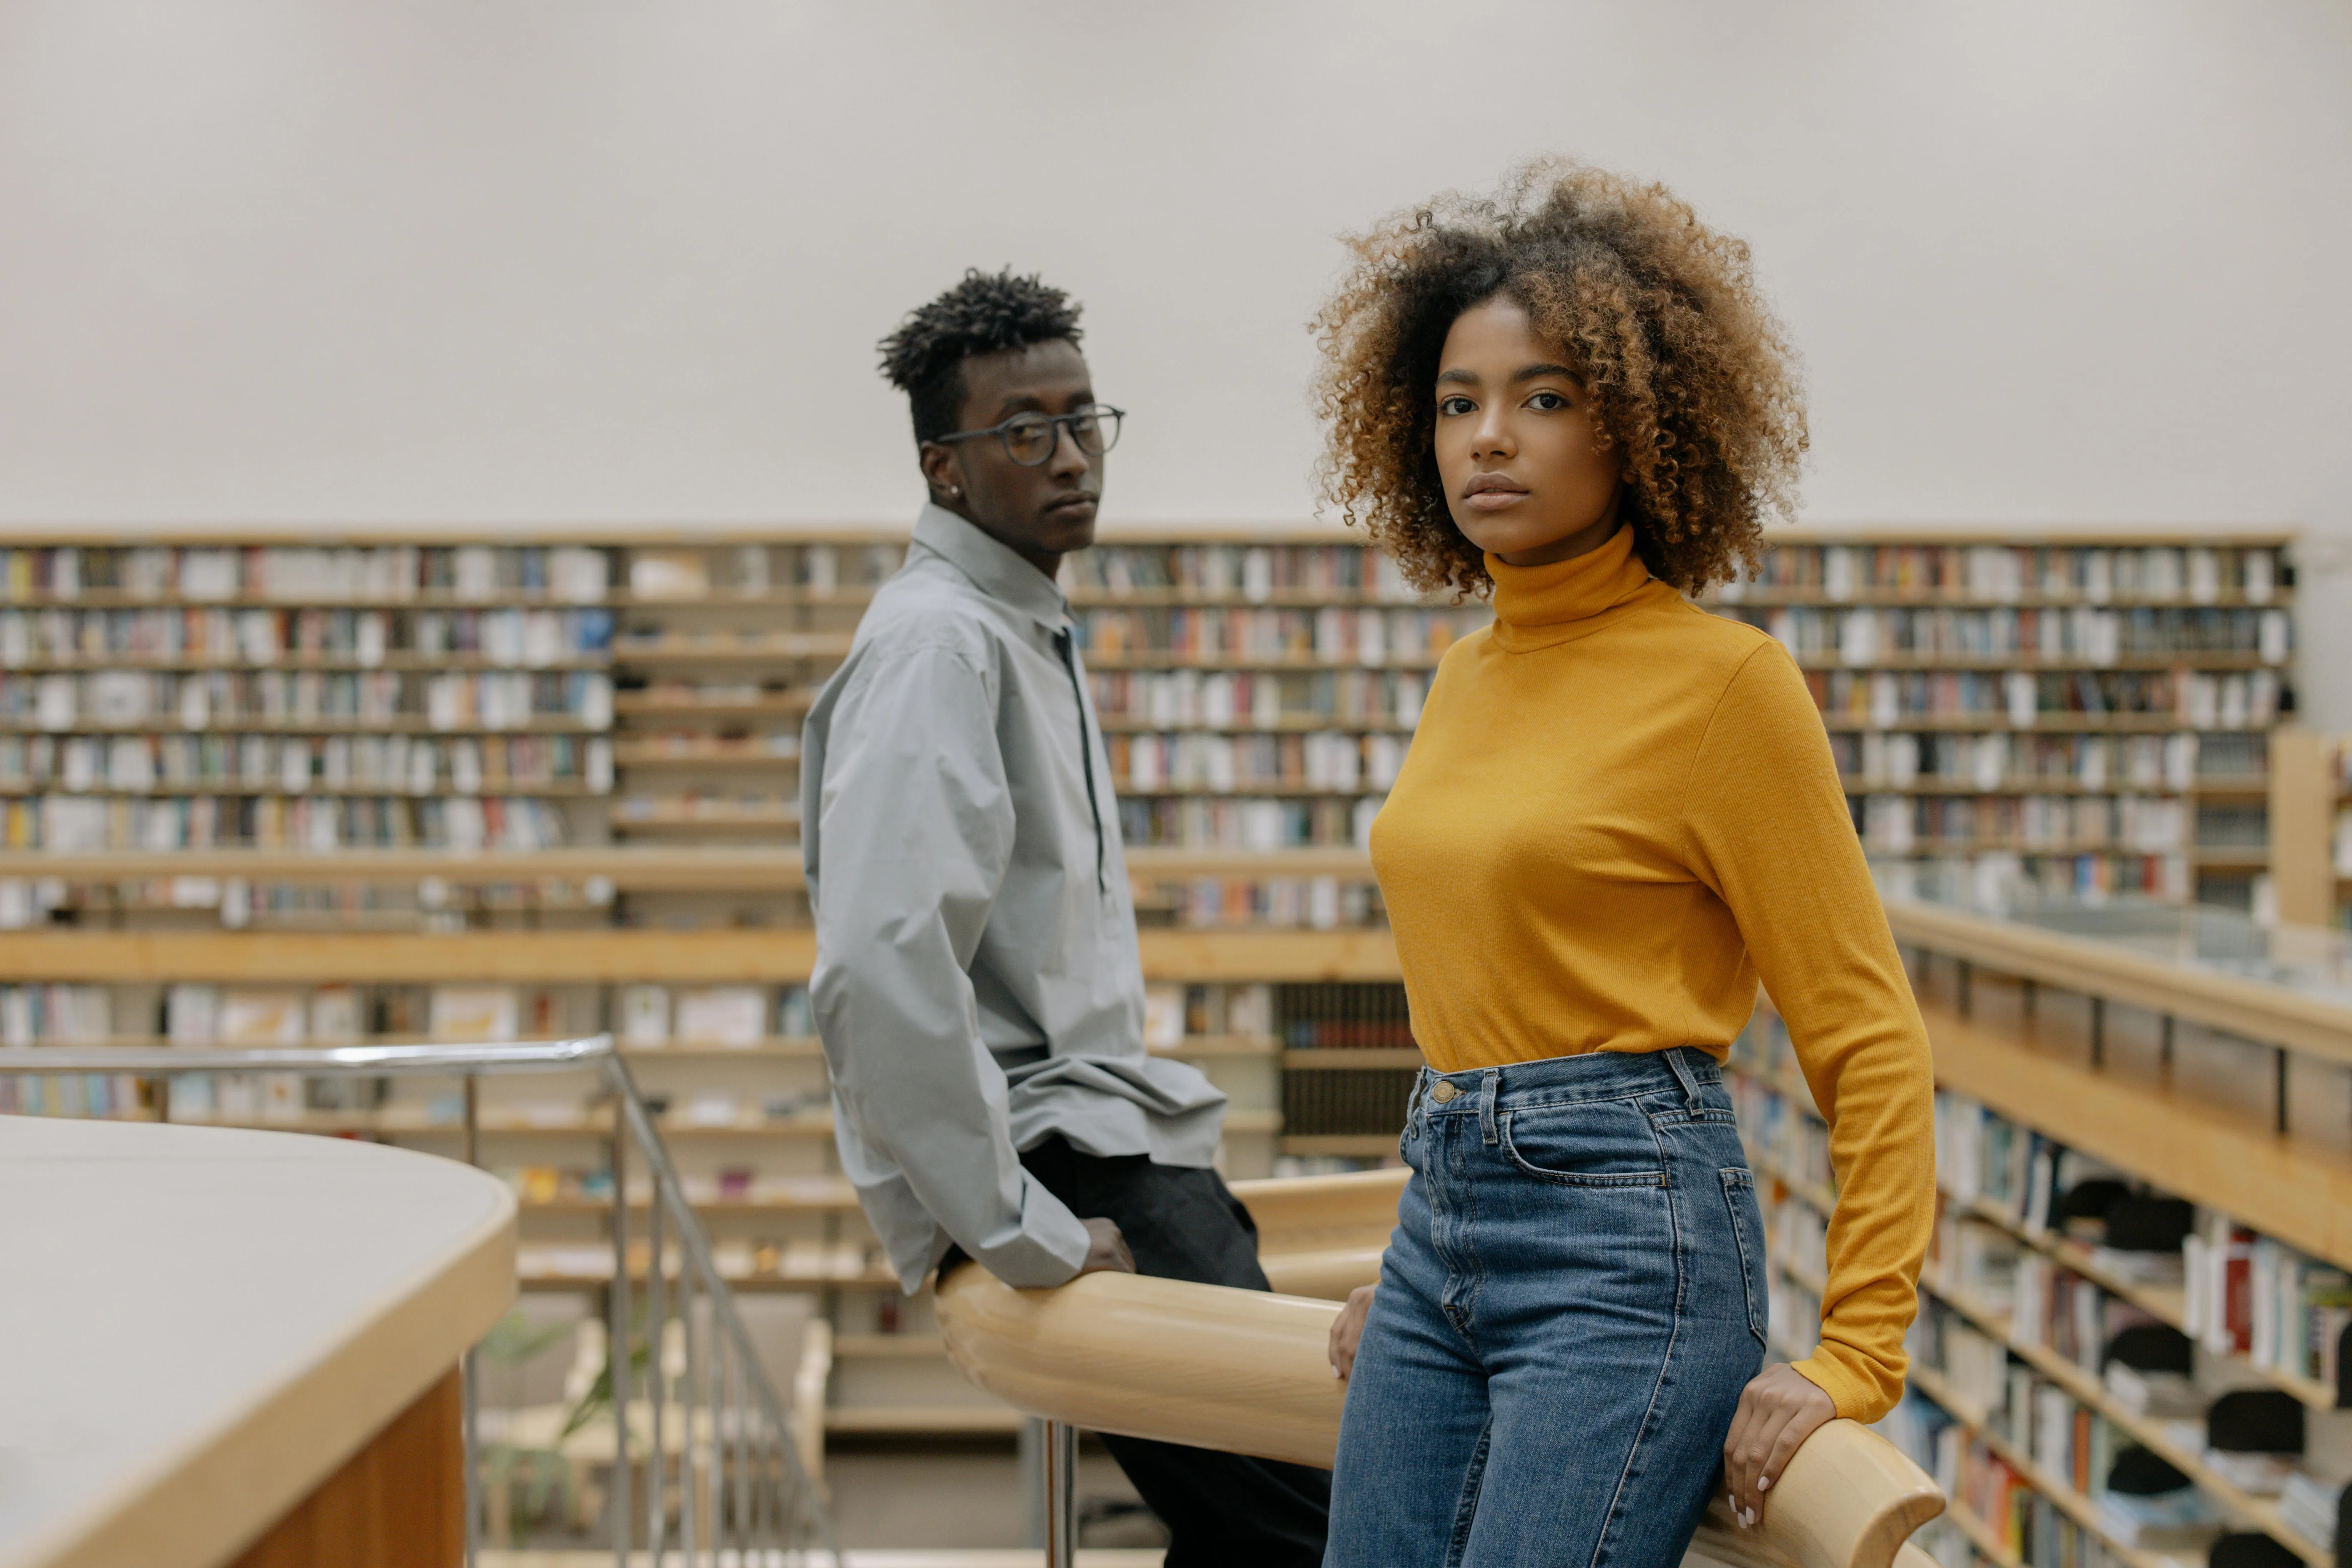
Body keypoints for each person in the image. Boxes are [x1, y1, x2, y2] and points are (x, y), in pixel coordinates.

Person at [1310, 164, 1937, 1567]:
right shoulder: (1463, 677)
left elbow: (1870, 1037)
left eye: (1544, 398)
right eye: (1459, 402)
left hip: (1627, 1244)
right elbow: (1487, 985)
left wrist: (1856, 1358)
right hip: (1443, 1214)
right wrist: (1436, 1246)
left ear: (1640, 424)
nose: (1490, 439)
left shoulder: (1726, 688)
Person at [801, 268, 1331, 1566]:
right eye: (1021, 430)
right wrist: (1012, 1226)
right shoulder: (944, 646)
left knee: (1252, 1531)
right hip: (1071, 1161)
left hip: (1118, 1136)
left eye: (1083, 419)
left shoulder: (1014, 622)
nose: (1069, 456)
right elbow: (881, 968)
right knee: (1321, 1529)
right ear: (944, 468)